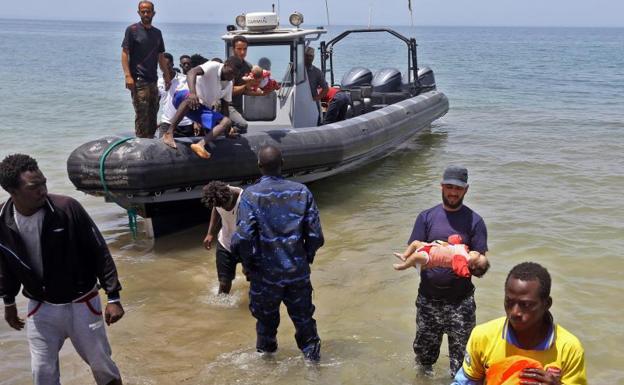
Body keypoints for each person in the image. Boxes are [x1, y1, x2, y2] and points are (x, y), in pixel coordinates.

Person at [0, 154, 124, 385]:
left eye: (44, 183)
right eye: (34, 187)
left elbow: (99, 250)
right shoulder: (2, 220)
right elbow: (6, 263)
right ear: (11, 190)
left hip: (83, 303)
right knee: (42, 373)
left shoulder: (67, 208)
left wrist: (113, 296)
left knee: (101, 366)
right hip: (41, 307)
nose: (42, 190)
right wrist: (8, 301)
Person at [231, 145, 324, 362]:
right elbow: (316, 236)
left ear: (259, 166)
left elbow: (243, 238)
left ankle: (267, 368)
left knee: (265, 326)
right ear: (283, 163)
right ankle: (314, 367)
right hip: (296, 272)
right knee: (305, 323)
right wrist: (305, 258)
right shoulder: (302, 192)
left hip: (264, 276)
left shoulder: (250, 196)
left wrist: (248, 264)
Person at [407, 165, 488, 377]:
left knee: (463, 365)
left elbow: (481, 267)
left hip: (461, 303)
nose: (453, 192)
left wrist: (476, 260)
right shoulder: (426, 217)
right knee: (423, 361)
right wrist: (440, 256)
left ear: (466, 190)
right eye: (449, 187)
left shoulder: (475, 221)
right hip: (428, 300)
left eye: (458, 189)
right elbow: (414, 254)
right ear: (441, 186)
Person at [452, 262, 587, 385]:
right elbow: (466, 382)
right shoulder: (483, 336)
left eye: (526, 305)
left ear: (547, 304)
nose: (515, 312)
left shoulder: (569, 348)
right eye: (509, 302)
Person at [162, 59, 239, 159]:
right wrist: (193, 93)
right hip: (183, 97)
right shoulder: (213, 66)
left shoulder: (229, 85)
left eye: (235, 74)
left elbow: (225, 108)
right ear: (226, 65)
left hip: (199, 108)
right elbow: (191, 72)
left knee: (227, 121)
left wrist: (228, 129)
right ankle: (169, 133)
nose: (231, 76)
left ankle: (200, 145)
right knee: (190, 100)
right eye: (231, 72)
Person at [121, 0, 171, 138]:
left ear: (153, 13)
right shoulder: (132, 30)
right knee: (142, 113)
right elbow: (125, 53)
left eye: (148, 11)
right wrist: (127, 76)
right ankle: (141, 141)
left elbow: (160, 56)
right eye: (142, 11)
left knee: (153, 111)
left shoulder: (157, 33)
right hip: (138, 80)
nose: (145, 13)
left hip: (153, 79)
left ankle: (150, 141)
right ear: (138, 13)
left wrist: (166, 76)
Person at [201, 181, 244, 294]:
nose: (225, 208)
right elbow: (215, 210)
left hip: (245, 244)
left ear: (230, 195)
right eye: (221, 206)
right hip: (225, 243)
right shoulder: (218, 199)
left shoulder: (244, 198)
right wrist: (210, 233)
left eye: (226, 204)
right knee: (224, 283)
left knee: (251, 277)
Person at [393, 236, 489, 278]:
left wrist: (466, 271)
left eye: (479, 256)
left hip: (430, 258)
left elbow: (459, 269)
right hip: (429, 247)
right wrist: (456, 240)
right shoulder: (465, 251)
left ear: (472, 265)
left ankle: (403, 266)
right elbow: (454, 245)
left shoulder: (462, 260)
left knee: (415, 257)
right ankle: (404, 255)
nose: (478, 252)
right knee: (415, 243)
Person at [158, 52, 195, 138]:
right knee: (162, 148)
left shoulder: (185, 80)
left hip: (186, 123)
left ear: (172, 64)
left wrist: (196, 121)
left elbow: (193, 101)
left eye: (168, 65)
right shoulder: (158, 82)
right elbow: (156, 103)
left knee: (186, 150)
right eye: (162, 66)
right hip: (166, 122)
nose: (165, 68)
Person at [227, 36, 253, 133]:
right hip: (226, 105)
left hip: (238, 105)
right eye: (239, 49)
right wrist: (246, 86)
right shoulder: (229, 66)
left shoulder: (248, 66)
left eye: (245, 49)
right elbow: (230, 91)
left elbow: (246, 90)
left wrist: (263, 92)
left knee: (242, 132)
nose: (242, 52)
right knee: (242, 125)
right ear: (233, 49)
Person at [304, 47, 329, 125]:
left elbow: (325, 89)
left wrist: (315, 99)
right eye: (307, 55)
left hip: (312, 104)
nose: (309, 58)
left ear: (313, 57)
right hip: (299, 102)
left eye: (311, 56)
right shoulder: (295, 70)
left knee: (316, 122)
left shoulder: (317, 72)